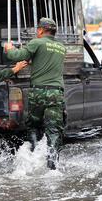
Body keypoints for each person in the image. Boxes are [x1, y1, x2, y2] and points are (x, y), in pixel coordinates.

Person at [5, 18, 66, 170]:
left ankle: (32, 159)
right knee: (54, 131)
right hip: (56, 93)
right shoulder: (61, 47)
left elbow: (17, 56)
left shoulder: (36, 42)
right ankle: (52, 166)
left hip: (38, 92)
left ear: (40, 30)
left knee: (33, 126)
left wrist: (9, 49)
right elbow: (47, 61)